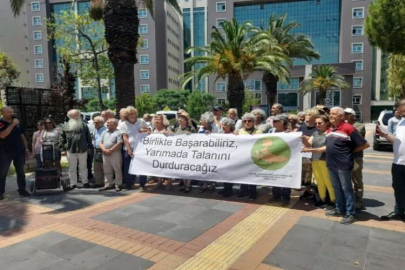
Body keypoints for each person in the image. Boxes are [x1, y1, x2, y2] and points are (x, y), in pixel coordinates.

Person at [325, 107, 369, 225]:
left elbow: (365, 144)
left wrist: (349, 151)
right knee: (337, 188)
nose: (330, 116)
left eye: (334, 114)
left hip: (343, 164)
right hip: (331, 164)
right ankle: (340, 209)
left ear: (341, 116)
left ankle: (351, 213)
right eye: (330, 114)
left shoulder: (348, 128)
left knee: (346, 188)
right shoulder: (330, 129)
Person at [302, 115, 336, 208]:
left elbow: (325, 148)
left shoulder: (330, 133)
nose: (317, 124)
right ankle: (322, 199)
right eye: (316, 123)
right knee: (319, 181)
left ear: (327, 123)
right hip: (315, 160)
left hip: (325, 160)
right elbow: (309, 144)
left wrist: (310, 150)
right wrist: (302, 138)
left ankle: (333, 201)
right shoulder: (315, 133)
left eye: (320, 123)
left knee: (328, 182)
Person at [379, 99, 405, 221]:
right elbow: (396, 140)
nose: (401, 114)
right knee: (398, 187)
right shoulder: (401, 123)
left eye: (402, 111)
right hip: (398, 162)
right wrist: (384, 135)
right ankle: (399, 211)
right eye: (400, 112)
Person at [0, 106, 31, 199]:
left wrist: (26, 149)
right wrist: (12, 124)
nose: (11, 113)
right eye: (9, 112)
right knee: (2, 173)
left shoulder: (17, 122)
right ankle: (1, 192)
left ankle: (22, 189)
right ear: (3, 113)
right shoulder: (1, 123)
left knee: (21, 172)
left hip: (19, 151)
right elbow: (2, 135)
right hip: (5, 152)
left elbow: (22, 136)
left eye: (12, 111)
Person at [60, 109, 93, 189]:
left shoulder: (84, 125)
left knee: (83, 166)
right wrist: (62, 149)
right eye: (73, 115)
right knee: (72, 167)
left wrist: (89, 147)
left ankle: (85, 182)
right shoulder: (65, 126)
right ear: (69, 116)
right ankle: (73, 183)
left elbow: (88, 137)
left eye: (76, 115)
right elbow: (61, 138)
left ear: (79, 115)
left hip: (83, 148)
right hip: (70, 149)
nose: (75, 117)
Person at [119, 106, 150, 190]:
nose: (133, 115)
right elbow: (125, 137)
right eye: (130, 114)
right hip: (129, 148)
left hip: (141, 148)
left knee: (142, 166)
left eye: (134, 113)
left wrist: (144, 130)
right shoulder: (123, 124)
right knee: (127, 167)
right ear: (126, 115)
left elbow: (149, 130)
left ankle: (142, 184)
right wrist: (128, 149)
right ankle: (129, 184)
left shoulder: (141, 121)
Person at [236, 113, 263, 200]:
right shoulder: (239, 132)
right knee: (243, 175)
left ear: (254, 122)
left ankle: (252, 193)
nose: (247, 122)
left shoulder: (258, 132)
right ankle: (243, 191)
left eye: (249, 121)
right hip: (242, 157)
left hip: (254, 157)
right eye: (245, 121)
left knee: (252, 176)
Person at [268, 114, 292, 206]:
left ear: (282, 122)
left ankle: (286, 197)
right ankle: (276, 195)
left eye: (275, 121)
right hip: (273, 158)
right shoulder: (271, 131)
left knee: (285, 177)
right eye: (273, 121)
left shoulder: (289, 133)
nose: (273, 123)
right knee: (275, 177)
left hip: (285, 158)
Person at [344, 107, 366, 210]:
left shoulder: (359, 126)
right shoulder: (341, 126)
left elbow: (355, 140)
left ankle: (358, 200)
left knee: (357, 179)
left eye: (346, 114)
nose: (344, 116)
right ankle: (348, 198)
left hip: (356, 157)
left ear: (352, 116)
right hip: (344, 157)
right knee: (345, 179)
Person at [297, 109, 320, 199]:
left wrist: (306, 138)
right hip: (303, 154)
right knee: (306, 173)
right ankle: (307, 190)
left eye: (309, 115)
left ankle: (316, 191)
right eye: (306, 114)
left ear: (315, 117)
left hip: (314, 154)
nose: (306, 116)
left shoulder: (317, 128)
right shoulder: (302, 127)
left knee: (314, 174)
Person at [174, 111, 196, 193]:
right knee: (181, 169)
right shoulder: (177, 129)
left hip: (188, 152)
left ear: (186, 121)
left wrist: (191, 135)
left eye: (182, 118)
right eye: (180, 118)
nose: (180, 120)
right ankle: (184, 184)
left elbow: (197, 139)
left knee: (187, 168)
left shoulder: (191, 129)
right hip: (179, 152)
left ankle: (188, 185)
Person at [99, 119, 123, 192]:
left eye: (109, 123)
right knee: (107, 169)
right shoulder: (104, 132)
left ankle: (118, 184)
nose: (107, 124)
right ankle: (108, 184)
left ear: (115, 124)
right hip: (105, 153)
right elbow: (100, 142)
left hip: (115, 153)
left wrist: (110, 150)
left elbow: (119, 143)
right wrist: (104, 150)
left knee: (117, 169)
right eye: (107, 123)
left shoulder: (119, 132)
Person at [152, 114, 173, 190]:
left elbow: (173, 137)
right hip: (156, 152)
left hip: (166, 152)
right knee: (158, 167)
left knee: (167, 167)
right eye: (156, 119)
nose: (157, 121)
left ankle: (169, 183)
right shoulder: (153, 129)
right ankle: (159, 182)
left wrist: (169, 134)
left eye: (159, 119)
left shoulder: (167, 128)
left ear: (163, 120)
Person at [198, 112, 218, 193]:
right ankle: (205, 185)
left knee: (211, 168)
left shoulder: (214, 127)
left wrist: (210, 135)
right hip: (203, 151)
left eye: (202, 119)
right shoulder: (201, 128)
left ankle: (212, 185)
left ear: (207, 120)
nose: (200, 120)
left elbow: (218, 138)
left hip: (212, 152)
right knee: (204, 168)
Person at [218, 118, 236, 197]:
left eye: (225, 125)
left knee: (229, 175)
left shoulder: (234, 135)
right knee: (224, 175)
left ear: (230, 126)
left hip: (230, 158)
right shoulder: (221, 134)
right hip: (222, 158)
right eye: (223, 124)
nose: (223, 126)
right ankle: (225, 189)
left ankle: (229, 191)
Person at [92, 116, 107, 187]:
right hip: (96, 150)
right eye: (94, 122)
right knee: (97, 168)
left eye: (96, 122)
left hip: (103, 150)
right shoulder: (95, 130)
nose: (95, 124)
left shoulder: (105, 130)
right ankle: (98, 182)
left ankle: (106, 183)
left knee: (105, 167)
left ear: (102, 122)